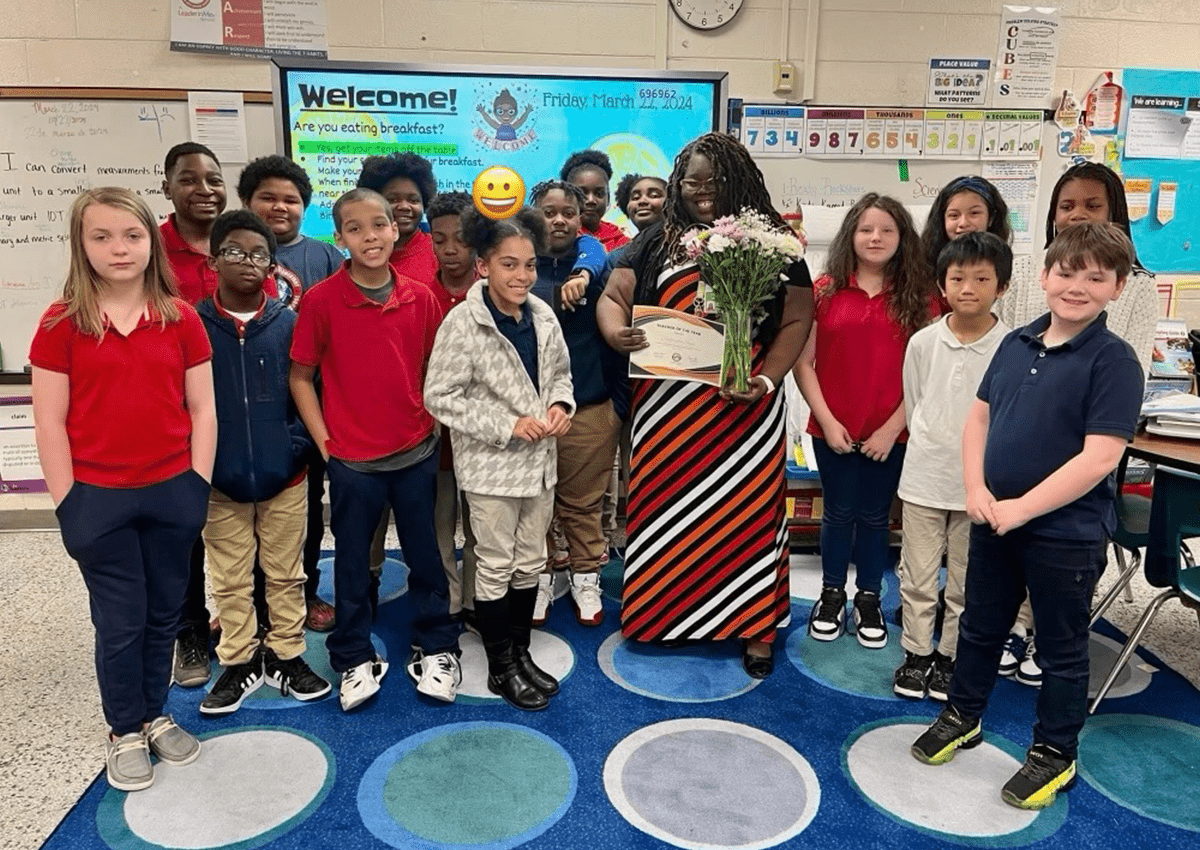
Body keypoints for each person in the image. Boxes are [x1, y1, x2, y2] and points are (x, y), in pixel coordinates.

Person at [911, 222, 1143, 811]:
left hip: (1065, 534)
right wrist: (975, 488)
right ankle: (963, 715)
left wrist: (1023, 508)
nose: (1077, 286)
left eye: (1096, 277)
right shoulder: (1016, 342)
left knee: (1062, 647)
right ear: (1044, 276)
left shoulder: (1114, 361)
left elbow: (1101, 457)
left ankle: (1054, 751)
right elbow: (978, 419)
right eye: (1066, 272)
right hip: (994, 519)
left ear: (1117, 287)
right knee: (980, 627)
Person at [597, 132, 814, 678]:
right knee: (666, 514)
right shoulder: (657, 239)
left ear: (736, 180)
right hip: (666, 415)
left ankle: (754, 628)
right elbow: (613, 297)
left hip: (744, 410)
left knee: (748, 518)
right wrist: (616, 333)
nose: (701, 190)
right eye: (691, 181)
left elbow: (797, 319)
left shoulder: (774, 243)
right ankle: (664, 618)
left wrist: (765, 379)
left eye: (713, 181)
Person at [31, 187, 215, 790]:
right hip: (98, 497)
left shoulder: (181, 317)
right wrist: (69, 503)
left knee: (163, 614)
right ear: (81, 244)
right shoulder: (61, 323)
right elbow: (49, 421)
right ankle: (123, 729)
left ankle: (154, 714)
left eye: (132, 236)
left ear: (150, 243)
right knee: (121, 621)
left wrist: (197, 484)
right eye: (102, 236)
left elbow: (203, 409)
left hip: (172, 491)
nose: (119, 248)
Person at [289, 188, 461, 711]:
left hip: (416, 452)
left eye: (379, 225)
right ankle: (353, 654)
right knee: (350, 562)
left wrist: (431, 424)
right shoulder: (321, 300)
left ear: (396, 229)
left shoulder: (420, 296)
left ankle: (437, 646)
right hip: (352, 461)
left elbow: (434, 367)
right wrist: (326, 443)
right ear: (339, 237)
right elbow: (301, 376)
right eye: (356, 228)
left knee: (426, 556)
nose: (370, 236)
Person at [995, 161, 1158, 685]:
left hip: (1090, 431)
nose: (1077, 215)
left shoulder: (1137, 285)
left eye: (1092, 205)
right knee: (1015, 532)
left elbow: (1133, 362)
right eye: (1066, 206)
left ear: (1115, 214)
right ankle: (1015, 624)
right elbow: (1013, 345)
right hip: (1025, 429)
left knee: (1065, 544)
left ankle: (1047, 631)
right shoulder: (1031, 270)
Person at [425, 207, 574, 711]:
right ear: (484, 266)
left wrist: (560, 406)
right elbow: (439, 396)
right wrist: (506, 424)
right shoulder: (463, 323)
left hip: (541, 464)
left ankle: (521, 653)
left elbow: (560, 375)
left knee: (530, 562)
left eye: (529, 265)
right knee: (494, 565)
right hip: (491, 468)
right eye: (509, 264)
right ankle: (501, 666)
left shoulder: (543, 315)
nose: (522, 276)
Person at [196, 210, 331, 715]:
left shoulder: (290, 324)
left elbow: (308, 391)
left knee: (286, 573)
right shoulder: (193, 325)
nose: (247, 262)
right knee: (230, 577)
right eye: (234, 251)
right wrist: (203, 462)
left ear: (273, 267)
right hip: (219, 481)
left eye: (259, 255)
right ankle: (239, 661)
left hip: (286, 477)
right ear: (213, 261)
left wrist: (294, 446)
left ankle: (287, 654)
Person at [794, 193, 935, 650]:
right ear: (850, 235)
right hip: (832, 426)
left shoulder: (923, 297)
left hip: (892, 430)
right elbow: (803, 362)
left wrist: (893, 427)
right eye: (866, 229)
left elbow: (928, 373)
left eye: (887, 230)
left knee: (875, 517)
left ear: (903, 237)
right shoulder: (824, 290)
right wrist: (826, 420)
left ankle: (869, 597)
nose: (876, 238)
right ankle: (831, 594)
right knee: (837, 512)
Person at [893, 232, 1011, 701]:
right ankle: (916, 654)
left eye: (982, 279)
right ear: (941, 285)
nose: (968, 288)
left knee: (966, 579)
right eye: (958, 278)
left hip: (978, 485)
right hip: (924, 477)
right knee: (917, 575)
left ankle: (949, 657)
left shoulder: (1013, 346)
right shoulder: (923, 342)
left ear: (1001, 286)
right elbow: (914, 401)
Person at [238, 153, 344, 633]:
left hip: (309, 408)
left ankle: (305, 590)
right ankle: (245, 600)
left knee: (305, 509)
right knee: (242, 512)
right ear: (247, 202)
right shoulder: (233, 253)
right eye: (268, 198)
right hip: (244, 408)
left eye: (292, 199)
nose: (280, 207)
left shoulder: (325, 257)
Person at [159, 142, 231, 689]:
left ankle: (243, 619)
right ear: (167, 188)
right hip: (176, 416)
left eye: (213, 179)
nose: (204, 189)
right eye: (189, 179)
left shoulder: (241, 242)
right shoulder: (151, 250)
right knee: (184, 531)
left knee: (242, 523)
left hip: (242, 409)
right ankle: (189, 630)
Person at [527, 180, 614, 627]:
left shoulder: (598, 266)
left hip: (589, 406)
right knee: (535, 504)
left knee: (583, 505)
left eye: (568, 212)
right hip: (529, 413)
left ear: (581, 220)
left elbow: (596, 251)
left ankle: (585, 576)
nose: (558, 220)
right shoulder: (519, 269)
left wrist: (583, 274)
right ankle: (540, 576)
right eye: (548, 212)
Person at [425, 191, 481, 624]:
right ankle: (447, 599)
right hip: (435, 434)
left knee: (481, 523)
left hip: (482, 434)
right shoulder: (420, 295)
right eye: (439, 240)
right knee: (439, 524)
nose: (450, 250)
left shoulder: (493, 294)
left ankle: (477, 600)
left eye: (460, 239)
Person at [356, 151, 439, 285]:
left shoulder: (439, 252)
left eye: (413, 200)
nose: (404, 207)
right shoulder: (360, 255)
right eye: (393, 199)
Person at [920, 175, 1011, 274]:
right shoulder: (923, 268)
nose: (963, 223)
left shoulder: (1006, 266)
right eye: (954, 215)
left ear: (991, 218)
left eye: (974, 213)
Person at [561, 150, 630, 251]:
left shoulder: (621, 242)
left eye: (599, 194)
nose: (591, 200)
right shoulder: (556, 238)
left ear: (608, 198)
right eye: (582, 193)